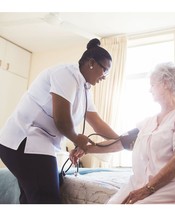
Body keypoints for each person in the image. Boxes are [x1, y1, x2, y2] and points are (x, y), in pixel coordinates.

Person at [0, 38, 119, 204]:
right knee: (46, 200)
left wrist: (120, 139)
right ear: (92, 63)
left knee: (33, 198)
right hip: (23, 140)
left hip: (37, 143)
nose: (105, 76)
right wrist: (77, 139)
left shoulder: (85, 89)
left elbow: (97, 122)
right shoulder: (66, 74)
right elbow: (61, 120)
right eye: (105, 70)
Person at [71, 62, 175, 204]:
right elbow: (121, 143)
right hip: (141, 182)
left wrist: (148, 189)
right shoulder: (149, 122)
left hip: (172, 184)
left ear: (165, 83)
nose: (150, 90)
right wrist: (86, 149)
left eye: (152, 85)